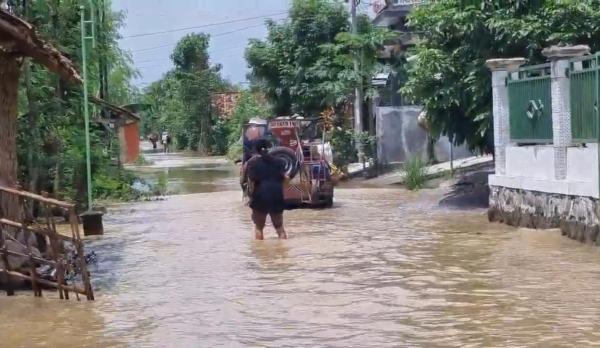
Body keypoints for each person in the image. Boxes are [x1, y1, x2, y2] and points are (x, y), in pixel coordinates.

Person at [245, 139, 288, 240]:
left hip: (260, 195)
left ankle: (261, 254)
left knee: (259, 228)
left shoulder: (253, 163)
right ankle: (283, 253)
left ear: (256, 150)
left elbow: (252, 183)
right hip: (276, 195)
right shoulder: (280, 162)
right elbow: (286, 178)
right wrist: (281, 189)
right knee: (279, 227)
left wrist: (251, 198)